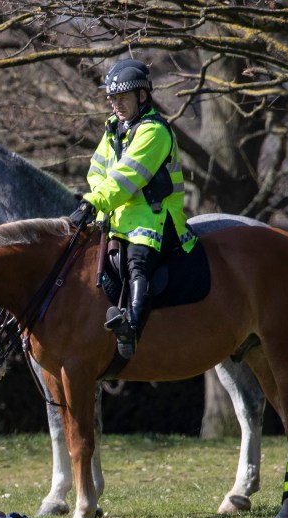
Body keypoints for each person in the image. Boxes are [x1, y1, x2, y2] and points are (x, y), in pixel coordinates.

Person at [71, 59, 198, 359]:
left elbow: (127, 176)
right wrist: (98, 204)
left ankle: (131, 329)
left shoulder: (154, 132)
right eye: (112, 99)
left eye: (122, 98)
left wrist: (95, 202)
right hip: (116, 214)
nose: (116, 105)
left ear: (142, 96)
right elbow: (97, 170)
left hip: (153, 216)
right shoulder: (113, 129)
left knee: (137, 262)